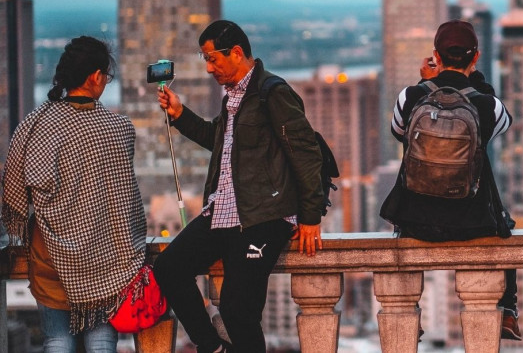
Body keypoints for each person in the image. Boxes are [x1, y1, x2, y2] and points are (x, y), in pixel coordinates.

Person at [152, 19, 326, 353]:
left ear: (236, 53)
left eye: (212, 58)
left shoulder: (271, 93)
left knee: (237, 309)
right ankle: (211, 347)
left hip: (263, 216)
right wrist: (179, 114)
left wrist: (310, 216)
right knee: (169, 267)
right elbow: (215, 140)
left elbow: (305, 153)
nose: (208, 68)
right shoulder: (233, 98)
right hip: (223, 210)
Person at [2, 36, 146, 353]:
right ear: (95, 76)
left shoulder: (34, 124)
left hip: (49, 255)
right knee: (101, 341)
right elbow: (126, 204)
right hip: (104, 259)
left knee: (57, 340)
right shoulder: (118, 128)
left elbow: (13, 191)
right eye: (107, 76)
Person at [379, 20, 521, 339]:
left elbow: (398, 132)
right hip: (473, 221)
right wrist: (476, 82)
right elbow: (501, 124)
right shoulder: (487, 104)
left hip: (416, 219)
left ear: (435, 56)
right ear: (476, 57)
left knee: (400, 233)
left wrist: (424, 83)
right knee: (506, 228)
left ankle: (406, 314)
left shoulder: (410, 96)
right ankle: (508, 310)